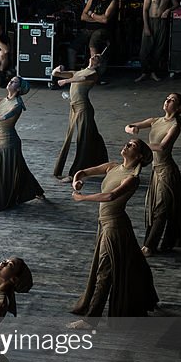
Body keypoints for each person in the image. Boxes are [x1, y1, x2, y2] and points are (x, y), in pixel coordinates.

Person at [69, 138, 159, 325]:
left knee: (105, 271)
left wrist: (82, 198)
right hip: (105, 224)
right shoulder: (112, 167)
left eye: (132, 145)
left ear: (140, 156)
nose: (126, 145)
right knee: (135, 263)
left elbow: (111, 196)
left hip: (114, 227)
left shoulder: (132, 178)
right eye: (127, 142)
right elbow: (83, 172)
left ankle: (91, 320)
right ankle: (147, 298)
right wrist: (77, 182)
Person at [125, 94, 181, 255]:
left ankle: (150, 246)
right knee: (156, 208)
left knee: (161, 208)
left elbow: (162, 147)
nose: (167, 101)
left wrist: (140, 146)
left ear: (178, 108)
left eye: (172, 100)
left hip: (167, 171)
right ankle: (150, 244)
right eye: (166, 98)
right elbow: (128, 126)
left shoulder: (175, 126)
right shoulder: (154, 120)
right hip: (155, 171)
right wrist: (132, 129)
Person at [0, 76, 44, 213]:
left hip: (8, 142)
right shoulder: (2, 100)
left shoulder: (17, 105)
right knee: (21, 168)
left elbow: (4, 116)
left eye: (14, 82)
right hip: (1, 140)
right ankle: (37, 192)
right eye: (11, 80)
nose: (10, 82)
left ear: (18, 89)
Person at [51, 57, 109, 181]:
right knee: (92, 136)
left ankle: (74, 174)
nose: (93, 56)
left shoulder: (93, 74)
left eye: (97, 57)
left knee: (83, 139)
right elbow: (56, 74)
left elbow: (83, 79)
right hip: (74, 108)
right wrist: (57, 69)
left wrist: (67, 81)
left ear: (98, 64)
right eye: (93, 55)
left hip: (83, 108)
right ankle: (103, 165)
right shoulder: (78, 72)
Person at [137, 0, 177, 82]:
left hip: (162, 22)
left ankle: (153, 72)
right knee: (144, 50)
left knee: (158, 49)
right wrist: (146, 26)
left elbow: (176, 4)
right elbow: (145, 10)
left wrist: (168, 10)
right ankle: (144, 72)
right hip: (150, 21)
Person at [72, 0, 118, 78]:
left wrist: (92, 14)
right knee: (72, 47)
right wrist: (98, 19)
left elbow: (105, 20)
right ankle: (73, 74)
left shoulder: (112, 1)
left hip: (103, 30)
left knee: (94, 41)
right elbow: (83, 16)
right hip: (88, 29)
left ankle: (93, 75)